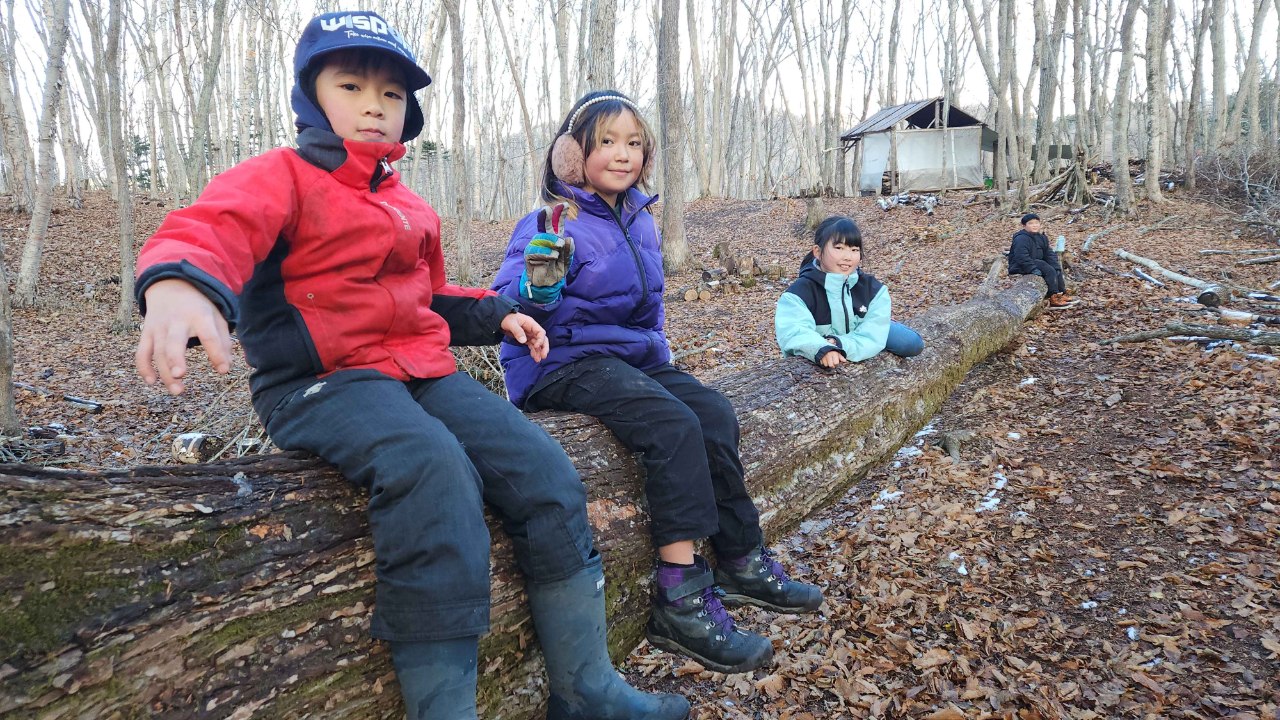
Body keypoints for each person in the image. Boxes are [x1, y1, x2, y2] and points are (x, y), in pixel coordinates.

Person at [132, 13, 688, 720]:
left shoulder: (407, 206)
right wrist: (179, 283)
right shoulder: (280, 176)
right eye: (351, 86)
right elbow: (211, 228)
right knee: (432, 469)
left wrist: (499, 314)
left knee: (545, 471)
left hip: (421, 372)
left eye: (391, 94)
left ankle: (586, 689)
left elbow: (428, 295)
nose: (374, 105)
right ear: (311, 96)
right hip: (321, 382)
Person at [492, 91, 824, 676]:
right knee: (672, 425)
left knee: (713, 413)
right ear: (572, 155)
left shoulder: (640, 218)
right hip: (559, 361)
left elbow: (649, 310)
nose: (623, 154)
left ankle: (741, 559)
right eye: (607, 142)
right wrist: (536, 288)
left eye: (634, 143)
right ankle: (681, 595)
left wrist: (659, 357)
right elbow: (510, 300)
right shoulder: (553, 220)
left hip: (630, 359)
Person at [775, 215, 924, 368]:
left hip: (856, 333)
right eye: (839, 248)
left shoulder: (872, 289)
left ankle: (884, 325)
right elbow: (793, 331)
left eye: (854, 250)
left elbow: (872, 336)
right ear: (818, 252)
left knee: (911, 342)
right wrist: (822, 348)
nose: (848, 257)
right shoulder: (799, 293)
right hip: (825, 340)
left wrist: (838, 343)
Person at [1008, 213, 1079, 309]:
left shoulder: (1041, 237)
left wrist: (1056, 266)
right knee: (1048, 269)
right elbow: (1021, 257)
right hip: (1021, 265)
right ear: (1024, 226)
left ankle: (1062, 293)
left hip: (1037, 262)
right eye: (1031, 223)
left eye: (1036, 223)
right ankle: (1053, 297)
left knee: (1056, 269)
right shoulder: (1021, 238)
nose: (1034, 225)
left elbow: (1048, 253)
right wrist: (1032, 269)